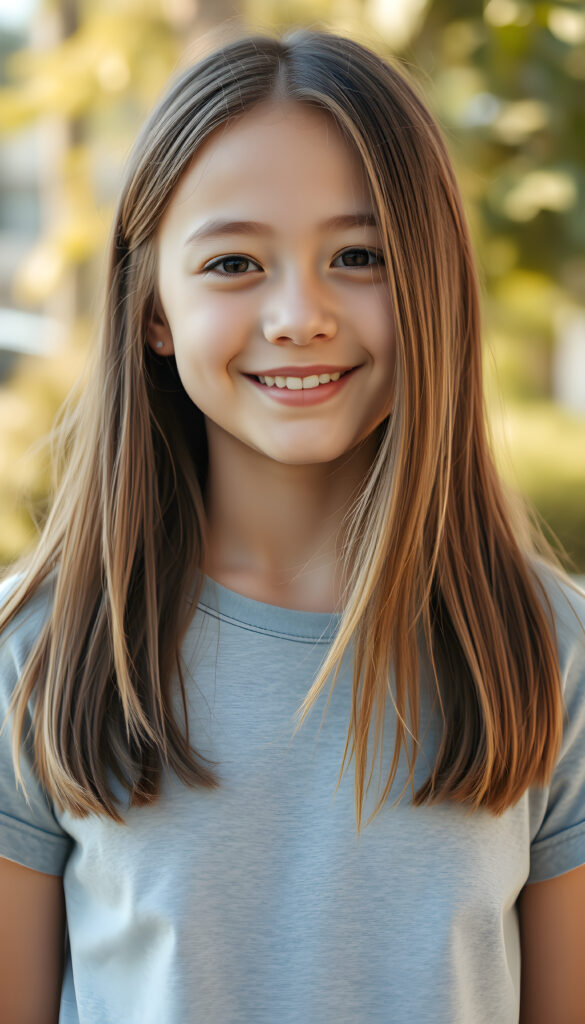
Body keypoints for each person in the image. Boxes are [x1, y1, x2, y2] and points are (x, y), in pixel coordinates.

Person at [0, 28, 584, 1024]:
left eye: (359, 255)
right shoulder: (37, 650)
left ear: (434, 286)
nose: (298, 314)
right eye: (233, 262)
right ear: (154, 312)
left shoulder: (550, 650)